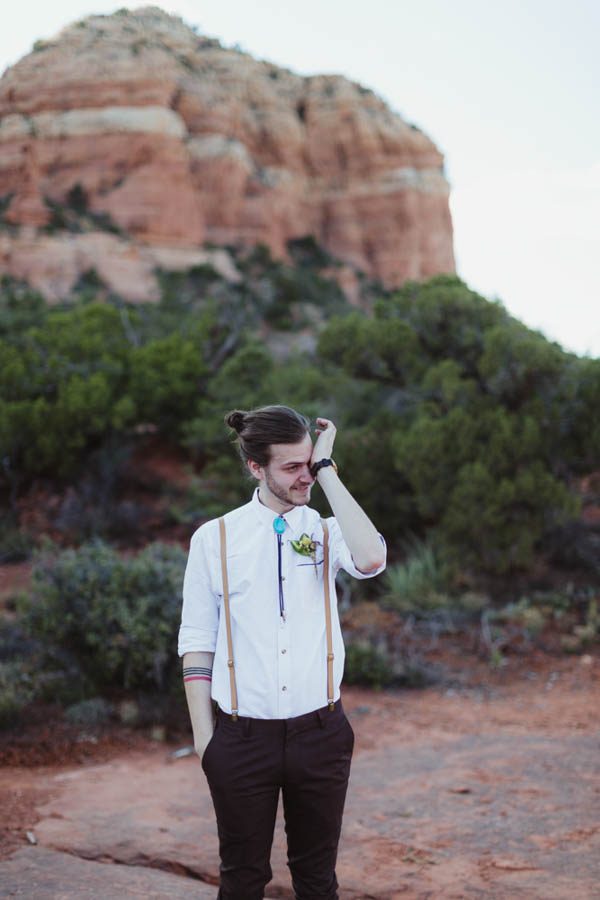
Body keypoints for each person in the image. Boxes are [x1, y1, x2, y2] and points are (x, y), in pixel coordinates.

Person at [178, 405, 386, 900]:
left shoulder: (324, 529)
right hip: (241, 738)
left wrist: (328, 472)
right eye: (292, 467)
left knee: (317, 881)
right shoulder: (215, 538)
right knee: (243, 879)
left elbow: (372, 558)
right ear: (256, 467)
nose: (304, 478)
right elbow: (197, 641)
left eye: (309, 464)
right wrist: (207, 742)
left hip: (321, 733)